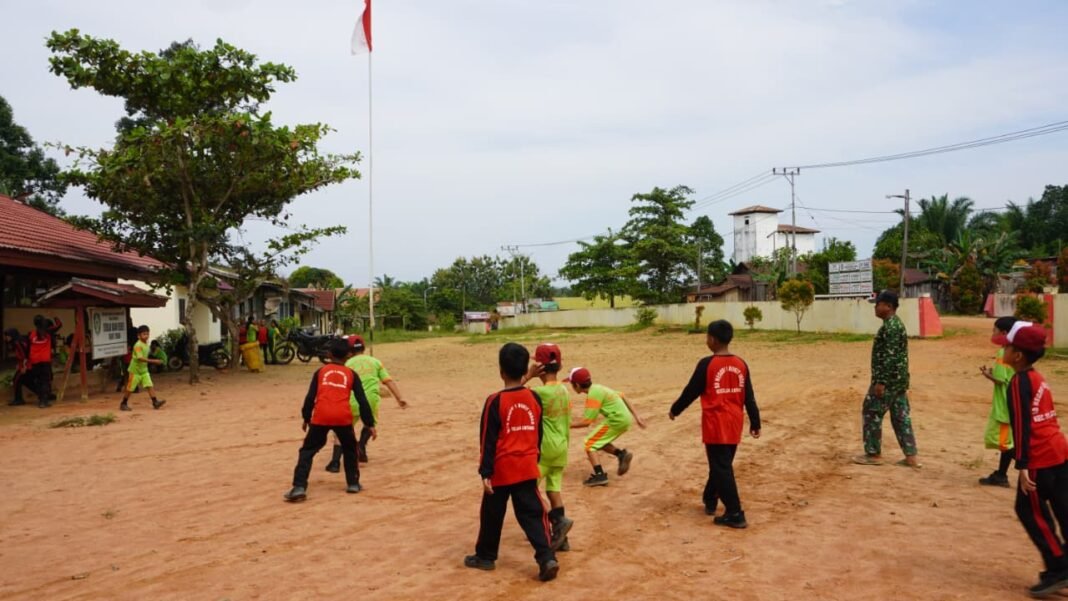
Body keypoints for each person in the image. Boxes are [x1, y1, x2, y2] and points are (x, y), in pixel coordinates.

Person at [464, 342, 558, 582]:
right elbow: (538, 432)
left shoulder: (495, 401)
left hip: (501, 469)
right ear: (525, 367)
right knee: (533, 514)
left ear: (501, 371)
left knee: (492, 514)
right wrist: (534, 458)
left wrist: (485, 472)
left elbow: (487, 439)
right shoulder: (534, 397)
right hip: (526, 466)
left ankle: (485, 557)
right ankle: (546, 557)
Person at [668, 319, 762, 529]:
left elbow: (691, 391)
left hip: (716, 423)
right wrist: (755, 421)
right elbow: (750, 396)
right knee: (721, 464)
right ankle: (710, 499)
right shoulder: (741, 363)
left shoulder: (707, 364)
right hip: (734, 422)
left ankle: (735, 512)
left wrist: (675, 409)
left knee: (721, 467)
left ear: (712, 339)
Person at [999, 323, 1068, 597]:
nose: (1002, 349)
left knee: (1030, 511)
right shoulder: (1038, 378)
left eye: (1006, 346)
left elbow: (1021, 423)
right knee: (1064, 511)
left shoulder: (1019, 382)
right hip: (1059, 451)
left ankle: (1058, 568)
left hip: (1039, 458)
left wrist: (1023, 464)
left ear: (1017, 355)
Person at [284, 338, 376, 502]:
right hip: (342, 416)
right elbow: (362, 401)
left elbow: (310, 397)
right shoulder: (351, 374)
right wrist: (369, 424)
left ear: (328, 354)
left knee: (307, 451)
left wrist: (306, 417)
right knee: (350, 448)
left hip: (321, 415)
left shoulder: (320, 372)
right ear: (348, 355)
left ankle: (299, 487)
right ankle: (353, 483)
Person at [853, 290, 920, 468]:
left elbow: (889, 357)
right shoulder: (896, 325)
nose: (875, 308)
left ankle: (873, 454)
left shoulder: (890, 327)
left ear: (888, 307)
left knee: (872, 412)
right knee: (900, 417)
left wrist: (881, 381)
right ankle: (911, 456)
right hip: (898, 381)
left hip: (888, 380)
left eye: (878, 304)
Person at [323, 335, 409, 471]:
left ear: (349, 351)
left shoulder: (345, 363)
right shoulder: (375, 362)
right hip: (370, 400)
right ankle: (361, 446)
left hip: (350, 400)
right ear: (364, 348)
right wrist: (400, 398)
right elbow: (388, 381)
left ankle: (335, 462)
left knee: (341, 431)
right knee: (370, 423)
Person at [522, 343, 574, 550]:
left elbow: (514, 390)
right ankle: (562, 538)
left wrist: (528, 375)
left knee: (529, 492)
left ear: (540, 367)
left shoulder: (538, 393)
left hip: (545, 449)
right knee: (553, 488)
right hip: (562, 446)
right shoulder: (563, 389)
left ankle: (556, 523)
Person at [567, 366, 647, 487]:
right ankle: (621, 454)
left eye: (572, 384)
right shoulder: (598, 388)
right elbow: (622, 395)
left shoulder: (593, 395)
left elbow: (587, 422)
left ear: (577, 385)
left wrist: (567, 425)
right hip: (623, 418)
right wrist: (636, 416)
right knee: (598, 441)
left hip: (617, 420)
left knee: (589, 443)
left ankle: (600, 476)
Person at [978, 316, 1020, 487]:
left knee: (1003, 442)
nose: (992, 333)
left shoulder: (1004, 352)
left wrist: (988, 375)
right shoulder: (1015, 350)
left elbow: (1001, 379)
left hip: (1004, 404)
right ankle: (1001, 474)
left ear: (1004, 332)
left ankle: (1029, 464)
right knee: (1007, 441)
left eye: (994, 330)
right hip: (1011, 402)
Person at [120, 326, 166, 412]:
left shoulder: (146, 345)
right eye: (144, 334)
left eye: (147, 334)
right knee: (130, 388)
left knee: (149, 385)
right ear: (139, 336)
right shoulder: (138, 345)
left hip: (143, 370)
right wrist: (154, 361)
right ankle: (123, 403)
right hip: (135, 371)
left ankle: (155, 402)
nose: (146, 336)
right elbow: (140, 358)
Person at [27, 314, 63, 408]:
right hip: (44, 360)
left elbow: (28, 348)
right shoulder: (48, 332)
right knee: (45, 381)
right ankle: (43, 401)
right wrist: (54, 314)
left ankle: (41, 399)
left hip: (34, 360)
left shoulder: (31, 334)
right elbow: (59, 324)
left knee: (39, 380)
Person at [4, 328, 33, 406]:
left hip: (26, 365)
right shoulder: (18, 341)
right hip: (23, 364)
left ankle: (18, 399)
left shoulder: (18, 343)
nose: (6, 338)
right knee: (25, 381)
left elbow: (25, 355)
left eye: (7, 336)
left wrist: (24, 366)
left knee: (16, 380)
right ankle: (42, 393)